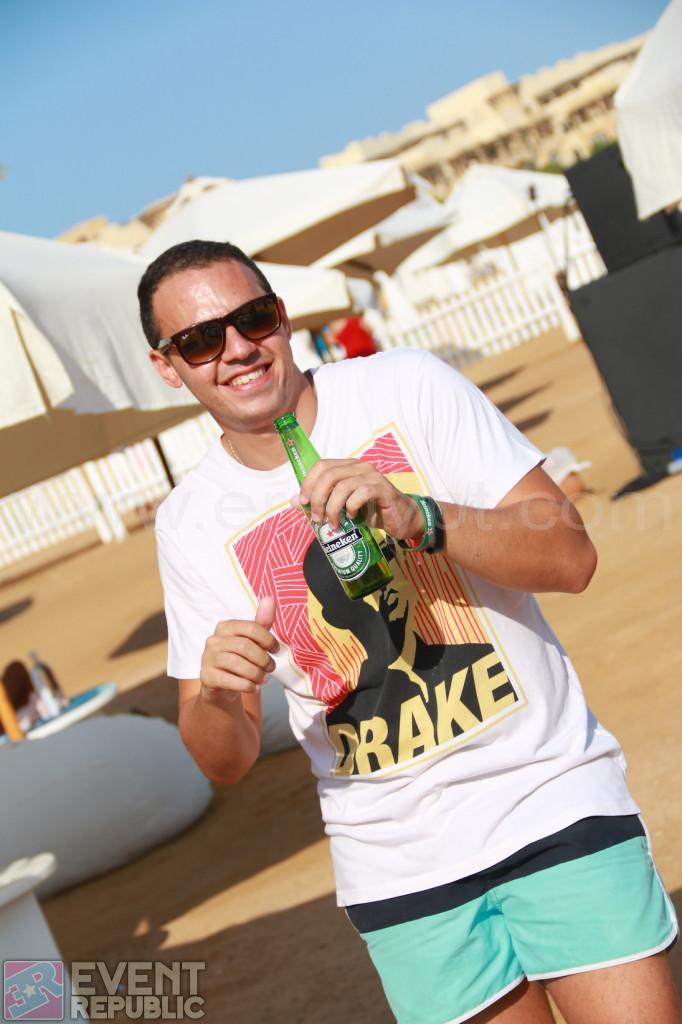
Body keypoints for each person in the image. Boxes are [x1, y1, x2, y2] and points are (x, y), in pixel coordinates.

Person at [138, 239, 680, 1024]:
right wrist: (219, 696)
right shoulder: (188, 523)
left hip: (550, 798)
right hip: (399, 871)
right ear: (168, 366)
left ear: (281, 317)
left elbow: (571, 556)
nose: (237, 348)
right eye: (199, 339)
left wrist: (419, 515)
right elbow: (224, 759)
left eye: (251, 318)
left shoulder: (407, 386)